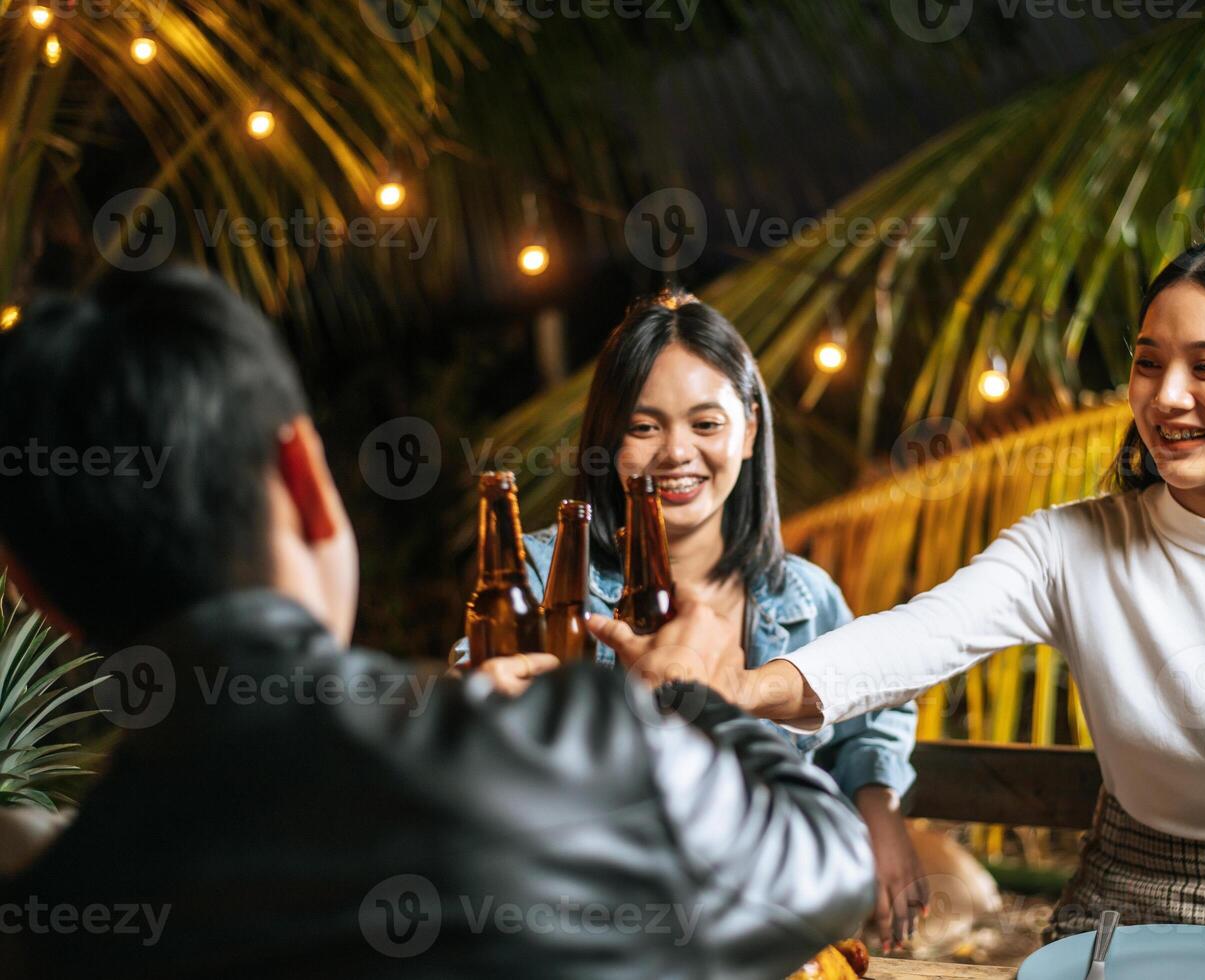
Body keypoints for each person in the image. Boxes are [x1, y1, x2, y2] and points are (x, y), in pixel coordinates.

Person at [0, 266, 874, 979]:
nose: (675, 449)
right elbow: (827, 864)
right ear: (304, 477)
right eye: (645, 425)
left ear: (28, 586)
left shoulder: (57, 913)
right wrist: (692, 697)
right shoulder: (545, 758)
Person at [597, 239, 1205, 980]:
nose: (1167, 396)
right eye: (1148, 362)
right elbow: (916, 638)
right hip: (1114, 913)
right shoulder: (1073, 544)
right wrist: (745, 687)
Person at [455, 289, 924, 950]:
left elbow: (870, 714)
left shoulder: (804, 595)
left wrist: (880, 809)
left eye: (706, 424)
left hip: (767, 924)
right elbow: (475, 696)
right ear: (607, 439)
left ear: (750, 428)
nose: (676, 452)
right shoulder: (540, 574)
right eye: (644, 427)